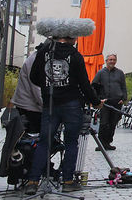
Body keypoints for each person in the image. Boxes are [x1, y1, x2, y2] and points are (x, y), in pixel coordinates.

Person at [26, 26, 100, 193]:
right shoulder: (75, 55)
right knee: (71, 142)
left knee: (45, 142)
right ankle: (67, 181)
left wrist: (48, 87)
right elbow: (84, 84)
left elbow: (33, 77)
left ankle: (32, 181)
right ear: (72, 38)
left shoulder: (44, 52)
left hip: (50, 103)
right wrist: (95, 101)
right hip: (72, 103)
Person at [91, 53, 126, 150]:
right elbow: (93, 86)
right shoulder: (101, 73)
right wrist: (97, 99)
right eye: (110, 59)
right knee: (104, 123)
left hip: (117, 101)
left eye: (114, 59)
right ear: (106, 61)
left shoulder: (120, 73)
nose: (112, 61)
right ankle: (101, 143)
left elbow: (123, 86)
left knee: (113, 123)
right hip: (105, 102)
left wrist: (123, 98)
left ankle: (108, 142)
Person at [9, 50, 42, 133]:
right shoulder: (37, 60)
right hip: (30, 107)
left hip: (29, 106)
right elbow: (36, 87)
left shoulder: (36, 57)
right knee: (33, 135)